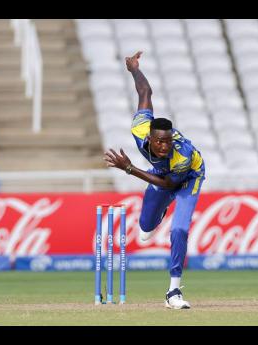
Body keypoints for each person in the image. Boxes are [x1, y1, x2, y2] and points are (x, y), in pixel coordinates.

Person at [103, 51, 205, 309]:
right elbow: (145, 92)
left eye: (168, 140)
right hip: (161, 175)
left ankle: (173, 292)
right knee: (146, 229)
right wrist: (134, 69)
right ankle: (157, 215)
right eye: (160, 141)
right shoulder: (140, 128)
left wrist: (130, 169)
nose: (164, 145)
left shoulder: (182, 154)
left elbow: (171, 184)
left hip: (187, 178)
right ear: (149, 138)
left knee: (180, 229)